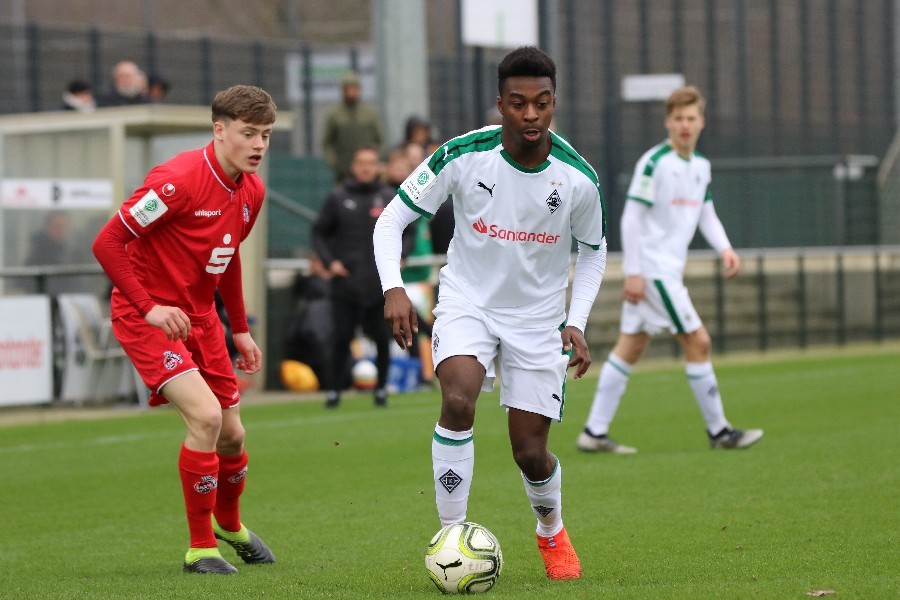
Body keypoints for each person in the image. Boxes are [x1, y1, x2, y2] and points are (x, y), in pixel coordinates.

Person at [374, 46, 607, 581]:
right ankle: (452, 538)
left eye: (542, 104)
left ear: (554, 104)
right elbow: (390, 222)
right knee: (457, 400)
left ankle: (551, 532)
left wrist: (578, 319)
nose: (531, 115)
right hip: (468, 302)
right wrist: (395, 288)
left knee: (530, 452)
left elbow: (594, 251)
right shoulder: (461, 155)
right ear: (499, 103)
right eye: (519, 103)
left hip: (537, 319)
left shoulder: (577, 179)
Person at [91, 85, 277, 574]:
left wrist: (239, 328)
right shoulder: (175, 181)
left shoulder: (251, 190)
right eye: (248, 133)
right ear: (219, 131)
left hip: (200, 318)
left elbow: (228, 256)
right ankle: (200, 549)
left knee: (233, 435)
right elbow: (107, 243)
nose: (258, 144)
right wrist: (148, 307)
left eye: (265, 135)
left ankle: (229, 525)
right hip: (148, 317)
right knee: (207, 418)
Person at [577, 86, 764, 454]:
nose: (685, 125)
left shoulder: (701, 166)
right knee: (699, 341)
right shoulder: (654, 162)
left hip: (665, 272)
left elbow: (705, 211)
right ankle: (720, 431)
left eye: (691, 118)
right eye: (678, 118)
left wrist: (724, 247)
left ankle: (594, 433)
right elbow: (631, 217)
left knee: (631, 346)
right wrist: (633, 271)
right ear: (668, 122)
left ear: (701, 122)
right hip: (653, 271)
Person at [312, 144, 396, 408]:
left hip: (378, 284)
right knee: (340, 337)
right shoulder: (338, 198)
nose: (366, 168)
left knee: (382, 338)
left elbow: (409, 230)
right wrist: (331, 262)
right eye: (361, 162)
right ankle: (334, 390)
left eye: (371, 162)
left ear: (378, 167)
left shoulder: (388, 197)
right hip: (346, 284)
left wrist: (398, 257)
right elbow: (318, 233)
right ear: (353, 166)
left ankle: (381, 389)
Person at [320, 71, 384, 182]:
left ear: (359, 90)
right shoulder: (335, 115)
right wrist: (335, 163)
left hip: (368, 175)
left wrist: (373, 162)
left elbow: (380, 141)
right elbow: (326, 143)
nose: (350, 93)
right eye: (347, 89)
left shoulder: (369, 114)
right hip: (343, 174)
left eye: (353, 88)